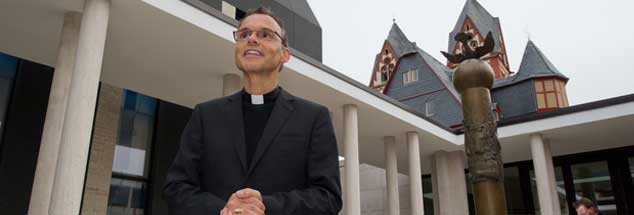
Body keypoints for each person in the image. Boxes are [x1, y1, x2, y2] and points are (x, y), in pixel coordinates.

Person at [162, 6, 342, 215]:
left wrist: (265, 206)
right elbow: (175, 188)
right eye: (244, 34)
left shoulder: (313, 118)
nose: (252, 39)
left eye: (265, 34)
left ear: (285, 54)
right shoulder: (205, 115)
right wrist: (224, 210)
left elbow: (328, 197)